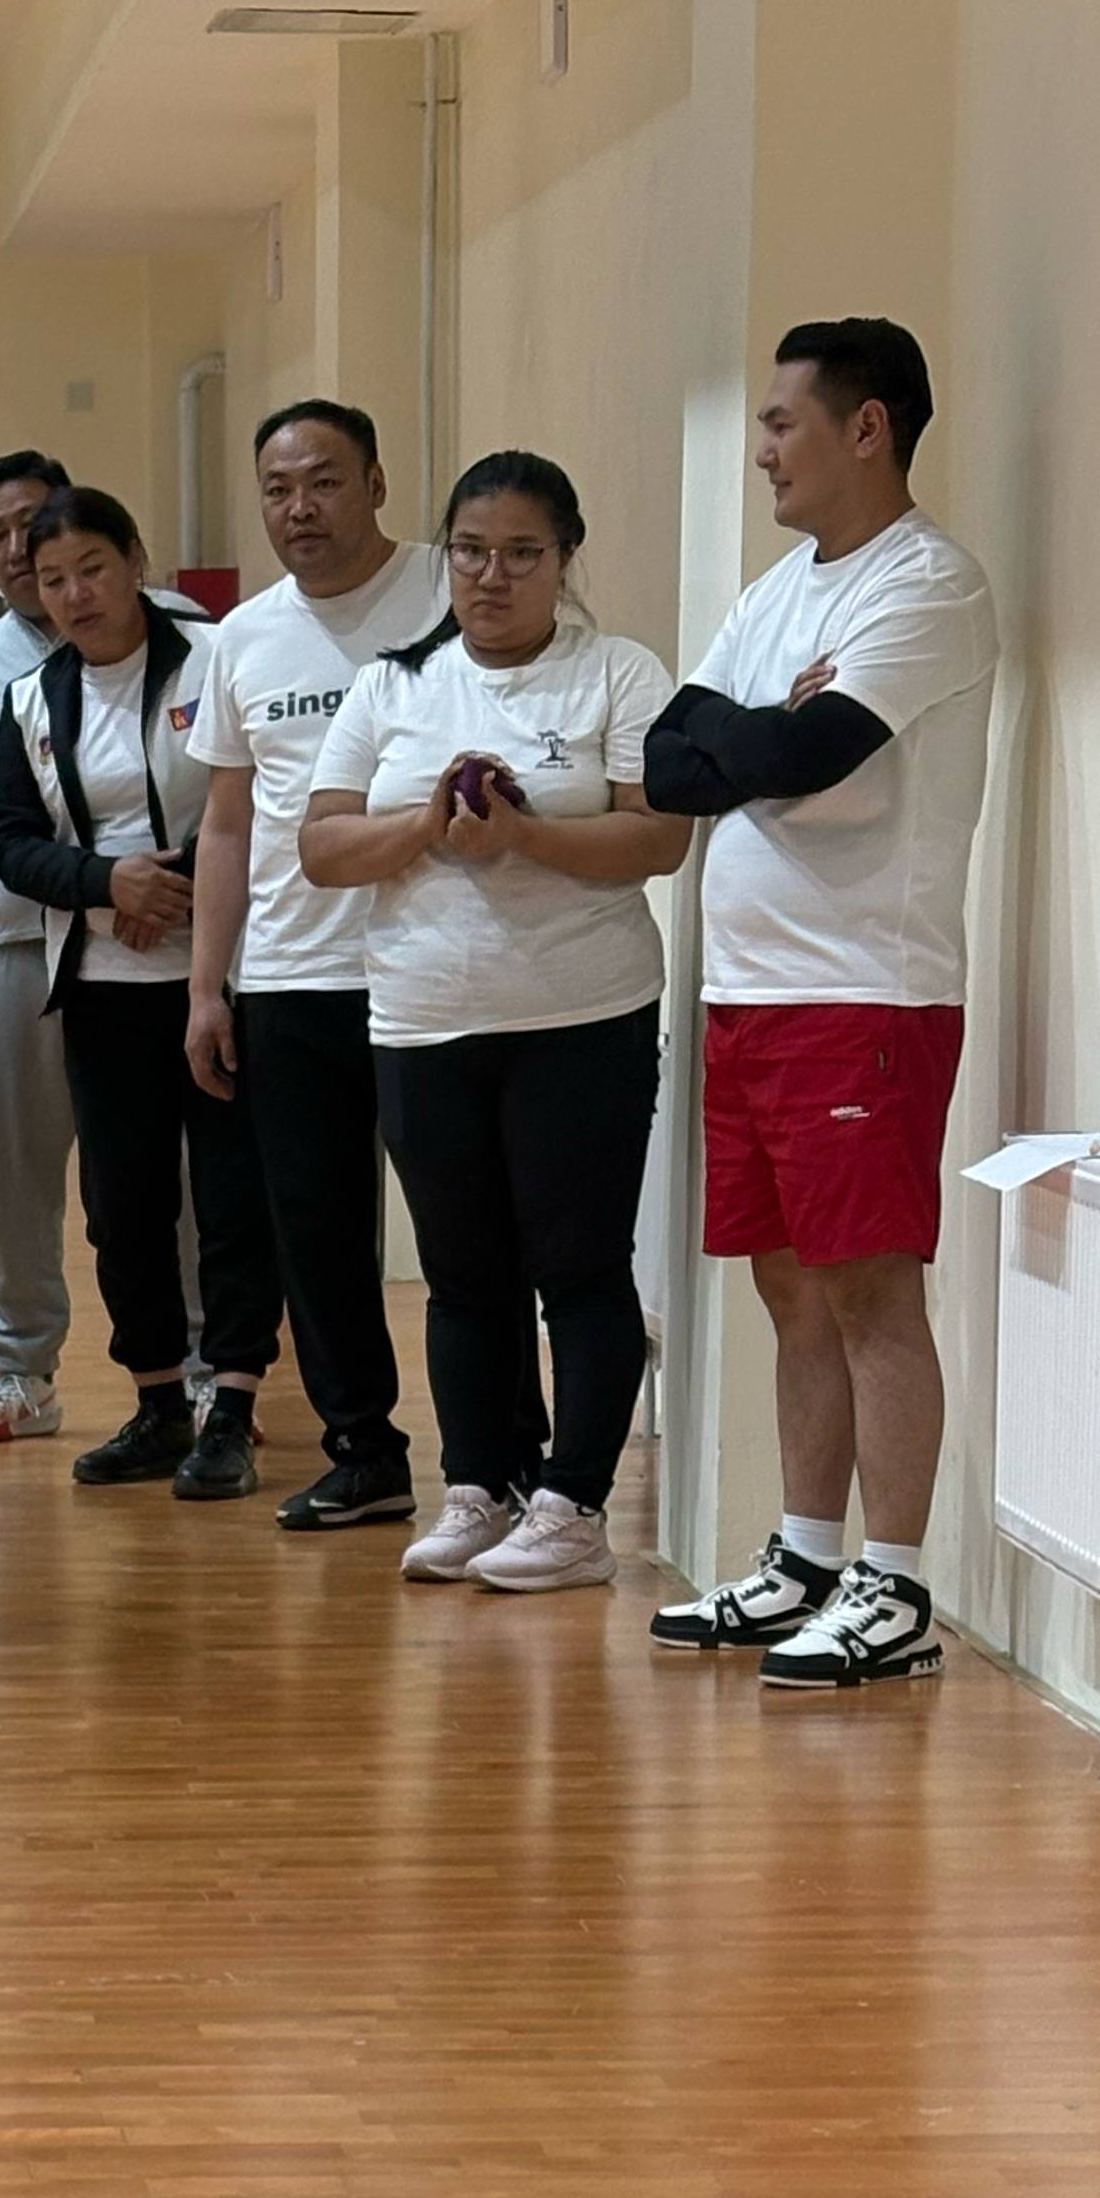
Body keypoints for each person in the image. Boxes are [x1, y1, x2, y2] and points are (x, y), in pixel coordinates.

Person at [642, 318, 996, 1691]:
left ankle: (894, 1586)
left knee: (868, 1287)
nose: (764, 451)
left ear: (866, 428)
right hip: (749, 991)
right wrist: (760, 737)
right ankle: (804, 1555)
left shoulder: (929, 586)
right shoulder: (776, 590)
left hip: (864, 994)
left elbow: (808, 750)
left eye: (783, 422)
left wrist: (761, 739)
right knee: (788, 1286)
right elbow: (671, 760)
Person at [301, 450, 690, 1591]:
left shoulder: (617, 674)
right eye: (471, 552)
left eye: (523, 554)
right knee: (463, 1273)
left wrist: (524, 835)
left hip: (584, 1016)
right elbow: (323, 846)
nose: (492, 576)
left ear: (564, 560)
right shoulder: (393, 687)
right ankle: (479, 1488)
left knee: (579, 1267)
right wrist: (425, 824)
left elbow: (658, 837)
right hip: (424, 1020)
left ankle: (574, 1508)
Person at [0, 450, 214, 1448]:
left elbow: (236, 800)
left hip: (169, 945)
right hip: (11, 941)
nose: (19, 551)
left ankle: (200, 1370)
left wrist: (157, 889)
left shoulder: (195, 642)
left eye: (34, 527)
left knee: (167, 1175)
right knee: (19, 1174)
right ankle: (21, 1368)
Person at [0, 485, 281, 1501]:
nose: (75, 594)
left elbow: (260, 800)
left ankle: (231, 1407)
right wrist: (107, 883)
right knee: (122, 1208)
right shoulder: (32, 699)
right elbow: (12, 843)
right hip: (102, 983)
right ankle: (158, 1403)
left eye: (92, 569)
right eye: (52, 580)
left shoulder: (217, 659)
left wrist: (174, 884)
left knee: (234, 1201)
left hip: (223, 978)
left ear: (135, 561)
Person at [185, 399, 447, 1528]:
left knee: (461, 1231)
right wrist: (209, 984)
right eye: (279, 489)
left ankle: (496, 1463)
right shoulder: (243, 636)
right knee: (318, 1232)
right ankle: (364, 1451)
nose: (301, 508)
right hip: (292, 975)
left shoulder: (447, 592)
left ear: (376, 484)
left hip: (437, 968)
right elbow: (227, 822)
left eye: (325, 482)